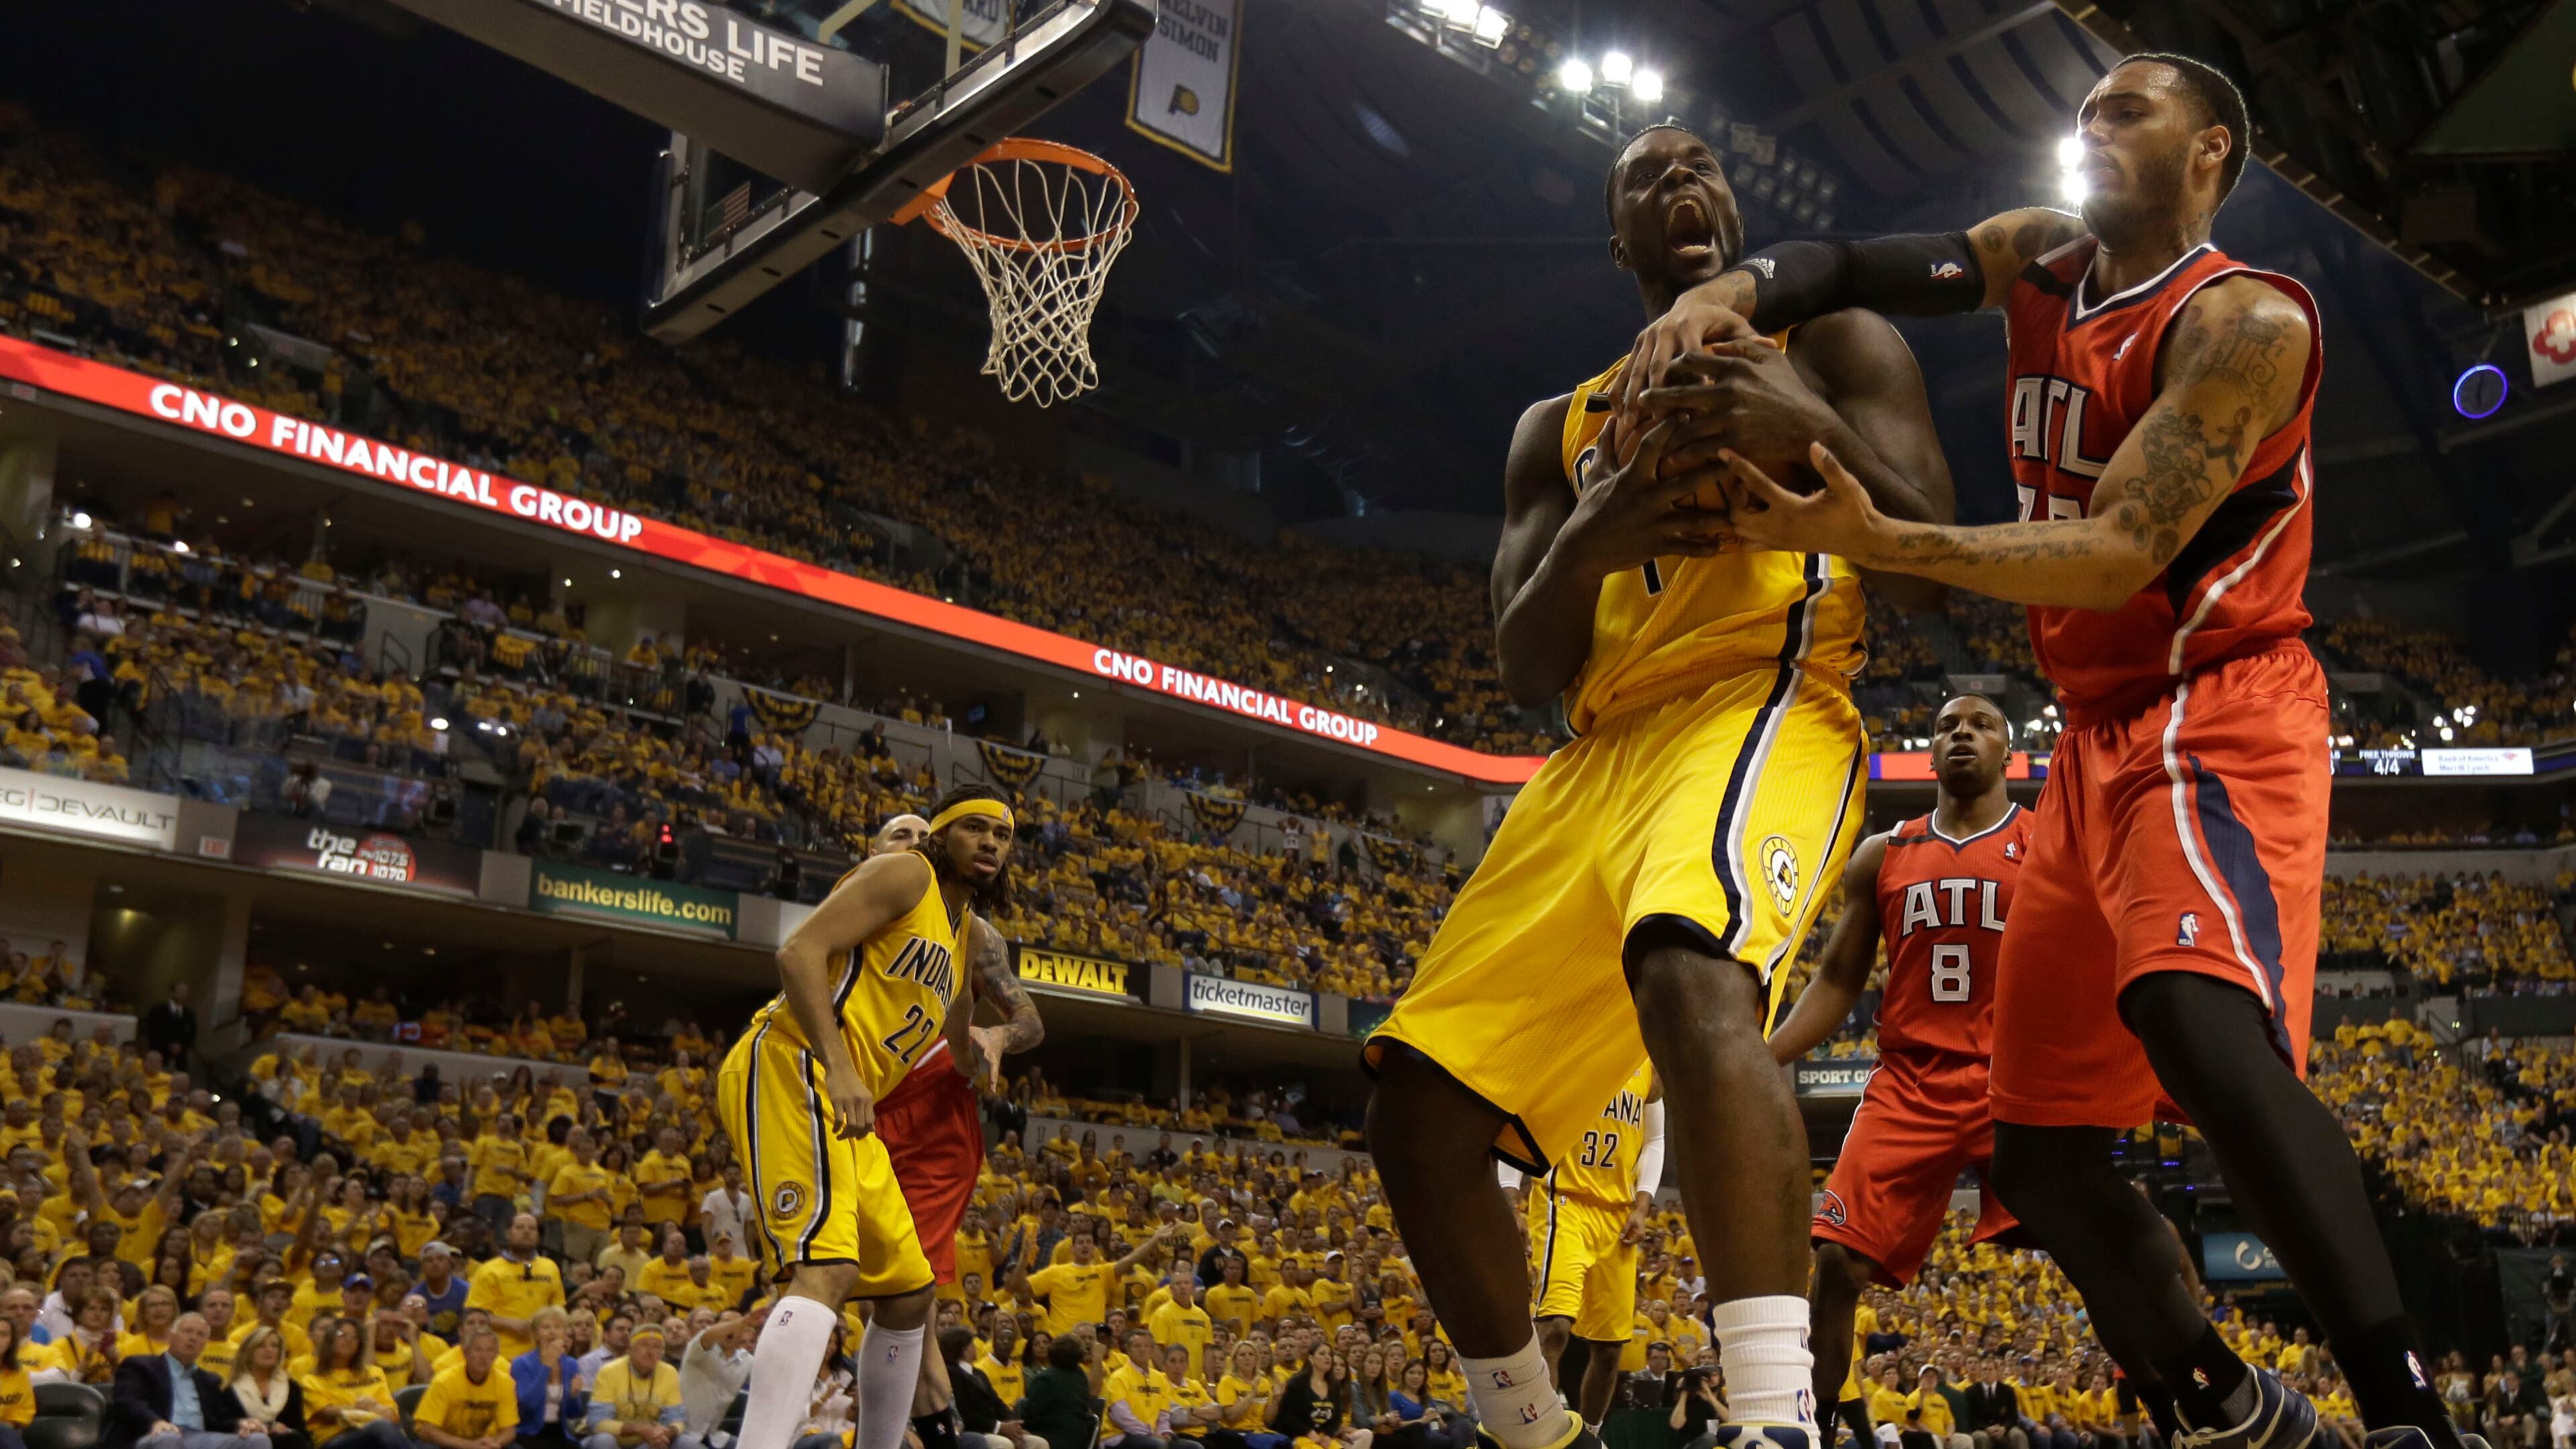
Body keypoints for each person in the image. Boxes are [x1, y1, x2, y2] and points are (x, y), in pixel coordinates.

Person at [1626, 50, 2471, 1449]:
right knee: (2043, 1158)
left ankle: (2407, 1414)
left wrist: (1879, 540)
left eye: (2128, 109)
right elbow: (1850, 261)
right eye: (2084, 111)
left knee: (2192, 1019)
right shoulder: (2036, 259)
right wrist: (1732, 289)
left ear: (2212, 154)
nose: (2091, 126)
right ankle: (2238, 1409)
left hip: (2218, 703)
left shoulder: (2244, 322)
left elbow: (2119, 550)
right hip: (2088, 739)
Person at [1360, 115, 1957, 1449]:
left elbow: (1930, 561)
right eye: (1648, 177)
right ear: (1617, 235)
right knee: (1414, 1110)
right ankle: (1528, 1431)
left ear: (1736, 212)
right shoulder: (1552, 428)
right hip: (1595, 756)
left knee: (1693, 971)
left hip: (1765, 704)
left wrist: (1800, 424)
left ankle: (1770, 1418)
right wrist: (1594, 529)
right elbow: (1524, 661)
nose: (1682, 184)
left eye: (1701, 165)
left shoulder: (1839, 340)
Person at [718, 786, 1018, 1449]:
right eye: (974, 828)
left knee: (911, 1291)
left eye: (1002, 834)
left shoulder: (965, 934)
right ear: (941, 836)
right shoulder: (906, 872)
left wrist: (995, 1042)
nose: (992, 842)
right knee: (828, 1268)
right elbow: (797, 952)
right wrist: (843, 1067)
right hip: (798, 1062)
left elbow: (963, 1054)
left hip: (853, 1106)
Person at [1767, 694, 2031, 1436]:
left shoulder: (2049, 842)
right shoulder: (1884, 853)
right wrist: (1769, 1055)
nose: (1962, 735)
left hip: (2012, 1084)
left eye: (1981, 725)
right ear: (1929, 749)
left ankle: (2186, 1403)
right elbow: (1840, 980)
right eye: (1947, 725)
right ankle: (1812, 1429)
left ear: (2007, 752)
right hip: (1909, 1084)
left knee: (2103, 1248)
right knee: (1834, 1266)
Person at [1499, 1065, 1664, 1429]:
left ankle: (1589, 1435)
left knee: (1609, 1351)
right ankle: (1541, 1434)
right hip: (1563, 1203)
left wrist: (1642, 1205)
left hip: (1618, 1215)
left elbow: (1655, 1140)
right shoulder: (1574, 1048)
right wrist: (1510, 1197)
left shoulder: (1645, 1065)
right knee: (1555, 1327)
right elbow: (1519, 1119)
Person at [108, 1313, 272, 1449]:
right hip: (152, 1435)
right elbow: (128, 1403)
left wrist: (242, 1424)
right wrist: (155, 1422)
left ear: (204, 1345)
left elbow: (220, 1419)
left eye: (200, 1335)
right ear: (171, 1336)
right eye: (188, 1331)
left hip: (201, 1438)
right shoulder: (140, 1365)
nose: (193, 1338)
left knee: (258, 1440)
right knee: (169, 1439)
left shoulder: (209, 1380)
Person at [297, 1319, 407, 1449]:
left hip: (377, 1432)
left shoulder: (374, 1373)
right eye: (342, 1335)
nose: (349, 1340)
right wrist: (367, 1408)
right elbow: (326, 1413)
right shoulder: (312, 1380)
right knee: (381, 1428)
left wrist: (356, 1410)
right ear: (330, 1339)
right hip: (335, 1439)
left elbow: (391, 1415)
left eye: (355, 1337)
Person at [583, 1324, 692, 1449]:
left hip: (650, 1442)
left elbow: (677, 1418)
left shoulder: (670, 1373)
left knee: (687, 1442)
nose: (650, 1352)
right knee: (604, 1440)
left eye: (657, 1347)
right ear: (630, 1349)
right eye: (644, 1345)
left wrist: (665, 1433)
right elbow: (597, 1422)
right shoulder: (609, 1371)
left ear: (662, 1353)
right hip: (615, 1440)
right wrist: (640, 1430)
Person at [414, 1327, 521, 1449]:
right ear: (465, 1353)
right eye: (478, 1350)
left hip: (484, 1442)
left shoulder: (506, 1382)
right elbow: (427, 1430)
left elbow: (509, 1431)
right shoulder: (444, 1381)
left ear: (497, 1354)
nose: (484, 1356)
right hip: (446, 1442)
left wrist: (494, 1444)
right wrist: (470, 1446)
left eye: (490, 1350)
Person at [512, 1307, 588, 1448]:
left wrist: (573, 1395)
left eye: (558, 1327)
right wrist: (546, 1367)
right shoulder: (521, 1363)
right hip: (529, 1432)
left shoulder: (571, 1364)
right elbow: (527, 1405)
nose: (552, 1332)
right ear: (535, 1335)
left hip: (559, 1432)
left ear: (565, 1334)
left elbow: (574, 1413)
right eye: (546, 1327)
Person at [229, 1328, 309, 1449]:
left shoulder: (292, 1387)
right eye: (261, 1346)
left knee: (292, 1439)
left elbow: (300, 1429)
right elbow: (226, 1424)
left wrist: (287, 1429)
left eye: (275, 1346)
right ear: (249, 1351)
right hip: (247, 1442)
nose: (269, 1350)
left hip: (285, 1443)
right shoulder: (231, 1387)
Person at [1018, 1335, 1100, 1449]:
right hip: (1080, 1439)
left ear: (1052, 1353)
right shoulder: (1080, 1374)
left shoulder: (1045, 1379)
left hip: (1052, 1439)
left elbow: (1031, 1416)